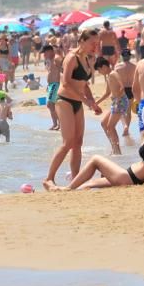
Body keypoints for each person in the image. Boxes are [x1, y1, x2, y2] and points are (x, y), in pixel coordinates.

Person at [44, 105, 144, 190]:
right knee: (91, 183)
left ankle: (68, 189)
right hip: (135, 178)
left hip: (129, 177)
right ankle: (74, 189)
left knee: (95, 160)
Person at [43, 29, 103, 190]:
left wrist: (92, 101)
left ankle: (75, 180)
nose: (95, 46)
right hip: (64, 101)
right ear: (82, 41)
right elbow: (67, 83)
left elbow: (84, 84)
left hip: (78, 102)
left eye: (97, 43)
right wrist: (86, 101)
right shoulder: (71, 57)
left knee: (78, 142)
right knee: (68, 142)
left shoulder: (87, 58)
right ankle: (48, 179)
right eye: (92, 43)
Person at [94, 56, 124, 155]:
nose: (99, 72)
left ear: (103, 66)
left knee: (110, 126)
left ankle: (117, 151)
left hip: (121, 102)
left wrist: (118, 100)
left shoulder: (113, 73)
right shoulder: (108, 76)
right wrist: (96, 103)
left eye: (99, 70)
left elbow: (122, 87)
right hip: (115, 102)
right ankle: (114, 146)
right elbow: (107, 93)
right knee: (103, 123)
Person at [43, 44, 62, 130]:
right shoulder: (49, 60)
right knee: (51, 105)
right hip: (51, 85)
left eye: (45, 53)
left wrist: (62, 84)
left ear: (50, 51)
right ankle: (56, 124)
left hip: (56, 84)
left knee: (50, 104)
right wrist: (48, 85)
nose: (44, 55)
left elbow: (63, 70)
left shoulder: (57, 58)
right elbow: (51, 72)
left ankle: (59, 123)